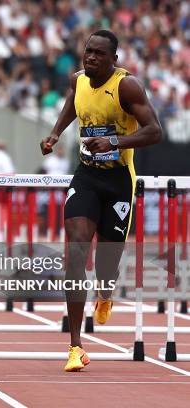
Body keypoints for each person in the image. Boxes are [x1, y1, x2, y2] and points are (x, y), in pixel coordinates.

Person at [40, 30, 162, 372]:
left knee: (106, 266)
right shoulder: (79, 81)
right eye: (87, 51)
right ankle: (75, 346)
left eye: (98, 54)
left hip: (119, 180)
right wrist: (54, 133)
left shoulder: (127, 87)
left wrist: (115, 142)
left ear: (114, 59)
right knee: (76, 249)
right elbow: (71, 107)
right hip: (87, 176)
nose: (90, 57)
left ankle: (105, 292)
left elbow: (155, 131)